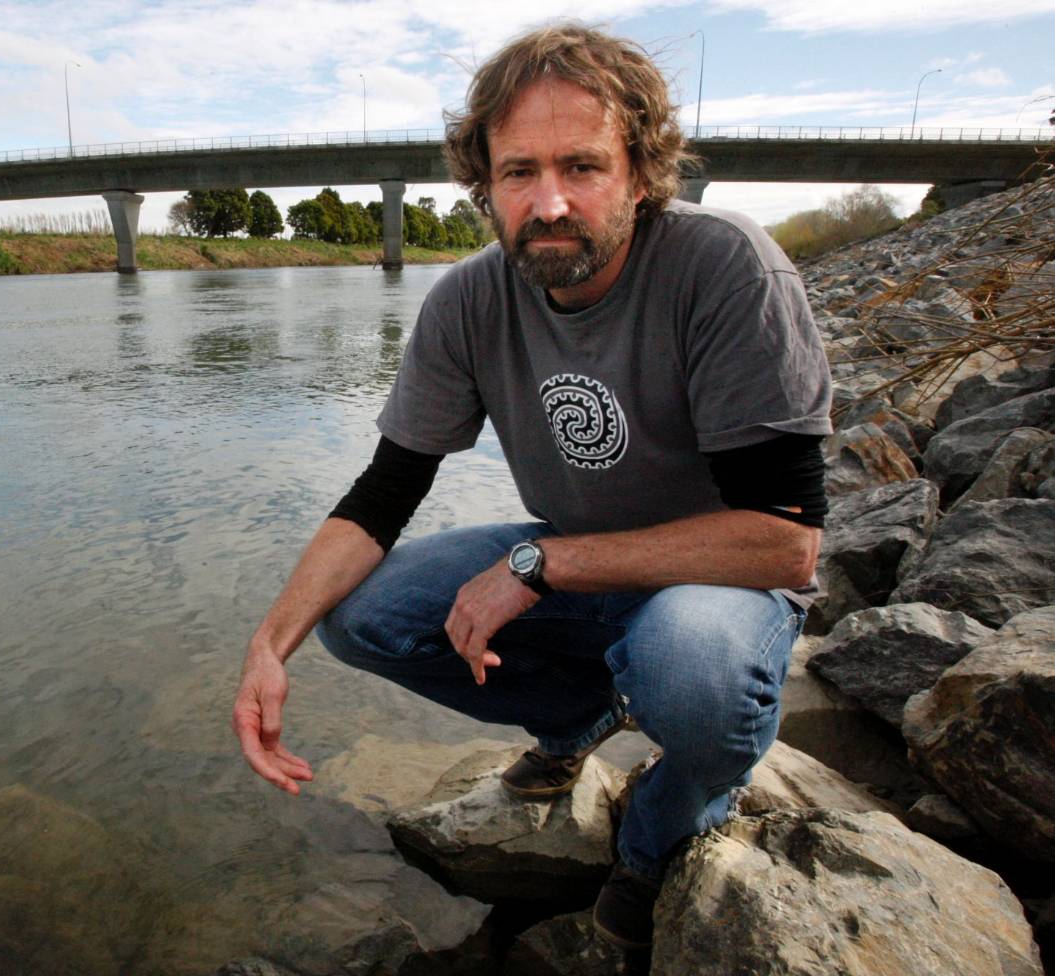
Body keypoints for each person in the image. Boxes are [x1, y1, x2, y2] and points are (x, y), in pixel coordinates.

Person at [231, 23, 831, 950]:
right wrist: (271, 646)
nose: (549, 202)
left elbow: (785, 541)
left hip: (722, 581)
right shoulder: (469, 301)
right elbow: (383, 494)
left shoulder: (723, 267)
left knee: (688, 665)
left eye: (581, 166)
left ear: (639, 172)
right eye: (518, 173)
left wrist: (540, 562)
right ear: (484, 188)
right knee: (361, 617)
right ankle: (578, 715)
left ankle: (669, 813)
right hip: (578, 568)